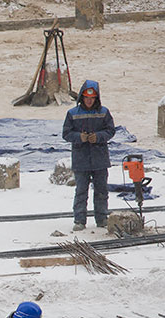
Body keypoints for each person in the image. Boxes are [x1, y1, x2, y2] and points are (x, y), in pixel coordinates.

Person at [61, 79, 116, 231]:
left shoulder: (103, 112)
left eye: (92, 98)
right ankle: (79, 220)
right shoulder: (72, 114)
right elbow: (66, 133)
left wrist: (98, 137)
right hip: (81, 159)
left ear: (96, 98)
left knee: (101, 191)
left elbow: (110, 130)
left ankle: (102, 218)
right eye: (87, 97)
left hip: (100, 158)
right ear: (82, 97)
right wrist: (80, 137)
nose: (89, 101)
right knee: (81, 191)